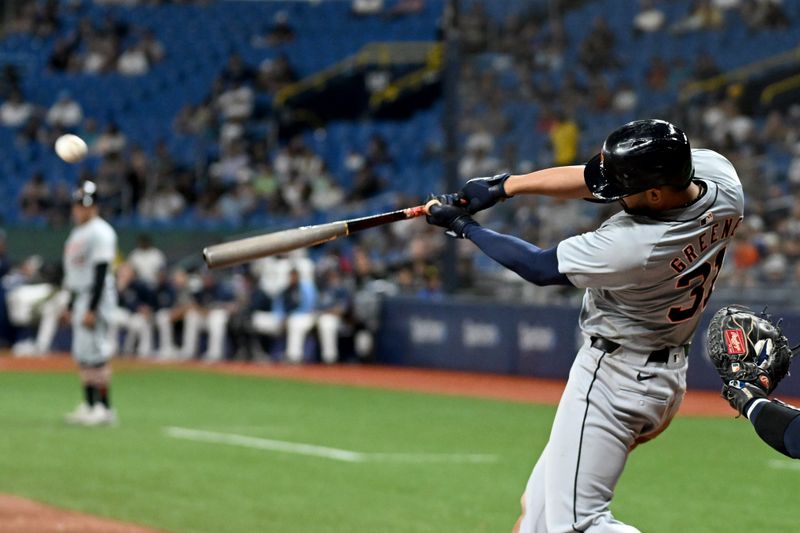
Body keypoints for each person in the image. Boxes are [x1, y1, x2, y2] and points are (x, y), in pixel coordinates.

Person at [426, 119, 745, 532]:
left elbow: (539, 267)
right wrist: (506, 186)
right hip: (659, 375)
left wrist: (464, 226)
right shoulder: (721, 180)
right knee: (540, 517)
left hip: (616, 376)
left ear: (655, 192)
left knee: (576, 525)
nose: (611, 197)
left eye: (624, 190)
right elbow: (592, 180)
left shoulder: (637, 248)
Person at [62, 181, 119, 426]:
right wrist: (71, 304)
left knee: (96, 353)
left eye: (86, 205)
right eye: (78, 205)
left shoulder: (100, 231)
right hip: (81, 295)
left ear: (95, 207)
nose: (81, 210)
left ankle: (104, 408)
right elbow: (75, 273)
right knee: (83, 353)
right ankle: (89, 403)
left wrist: (92, 309)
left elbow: (100, 271)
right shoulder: (77, 233)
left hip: (96, 297)